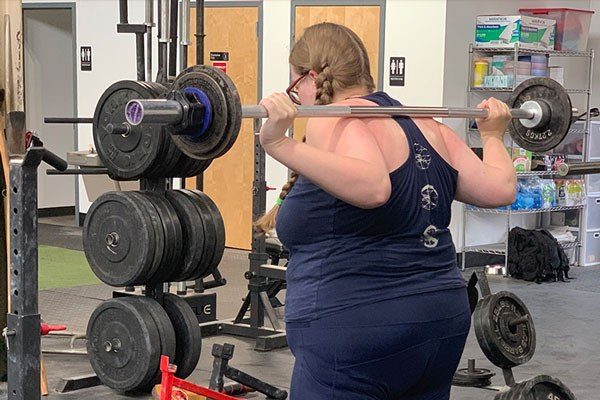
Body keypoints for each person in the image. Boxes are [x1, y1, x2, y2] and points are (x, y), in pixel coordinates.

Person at [255, 22, 515, 399]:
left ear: (311, 79)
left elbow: (374, 187)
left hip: (356, 333)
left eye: (295, 88)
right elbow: (500, 188)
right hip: (440, 322)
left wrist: (277, 142)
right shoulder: (425, 123)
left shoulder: (335, 120)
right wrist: (493, 136)